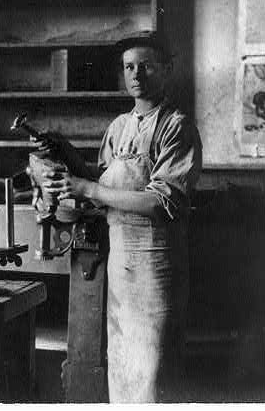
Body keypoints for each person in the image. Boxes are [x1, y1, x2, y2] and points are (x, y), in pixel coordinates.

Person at [36, 32, 202, 403]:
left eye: (146, 66)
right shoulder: (119, 127)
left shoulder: (177, 127)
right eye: (129, 67)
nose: (136, 74)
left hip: (156, 268)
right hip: (121, 268)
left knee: (154, 377)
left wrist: (88, 189)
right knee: (124, 372)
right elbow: (105, 181)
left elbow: (162, 202)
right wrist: (67, 153)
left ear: (167, 70)